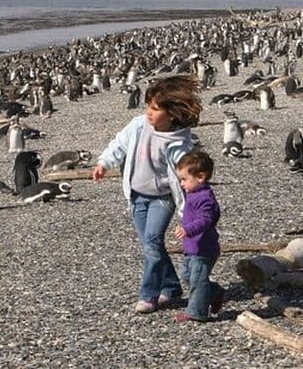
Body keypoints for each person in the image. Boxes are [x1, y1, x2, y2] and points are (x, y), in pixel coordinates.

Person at [93, 75, 202, 314]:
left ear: (171, 114)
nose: (149, 113)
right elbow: (119, 144)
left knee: (152, 241)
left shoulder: (179, 143)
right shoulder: (139, 125)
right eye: (148, 107)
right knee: (150, 245)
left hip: (161, 199)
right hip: (136, 195)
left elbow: (185, 178)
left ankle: (148, 295)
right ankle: (171, 287)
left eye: (154, 109)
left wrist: (190, 212)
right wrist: (104, 163)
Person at [173, 150, 224, 322]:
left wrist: (188, 230)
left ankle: (197, 312)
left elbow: (206, 220)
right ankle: (215, 292)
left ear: (201, 177)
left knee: (197, 280)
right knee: (186, 276)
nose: (182, 184)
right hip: (192, 247)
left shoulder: (205, 198)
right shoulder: (194, 194)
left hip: (204, 248)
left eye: (184, 179)